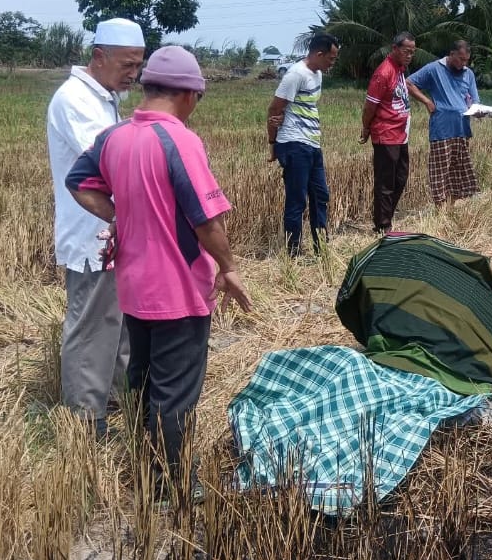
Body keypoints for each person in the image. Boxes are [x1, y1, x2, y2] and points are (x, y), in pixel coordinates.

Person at [67, 46, 252, 493]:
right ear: (188, 94)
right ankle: (172, 485)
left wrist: (120, 215)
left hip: (133, 287)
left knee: (142, 379)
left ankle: (145, 463)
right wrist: (228, 267)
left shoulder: (114, 137)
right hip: (178, 290)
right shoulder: (179, 140)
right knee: (175, 393)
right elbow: (205, 220)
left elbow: (78, 182)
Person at [45, 17, 145, 438]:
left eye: (138, 65)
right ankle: (86, 419)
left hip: (113, 229)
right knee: (91, 326)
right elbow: (110, 160)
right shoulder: (75, 100)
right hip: (91, 234)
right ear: (99, 57)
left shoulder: (104, 98)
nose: (134, 74)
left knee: (118, 322)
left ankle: (115, 398)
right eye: (127, 64)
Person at [266, 33, 340, 256]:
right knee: (297, 200)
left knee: (321, 195)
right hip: (294, 144)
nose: (332, 63)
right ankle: (293, 252)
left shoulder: (317, 75)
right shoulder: (295, 74)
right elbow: (274, 109)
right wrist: (273, 144)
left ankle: (321, 247)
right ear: (319, 54)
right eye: (331, 58)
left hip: (312, 143)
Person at [405, 40, 482, 208]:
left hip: (462, 128)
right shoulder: (434, 69)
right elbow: (409, 83)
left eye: (466, 60)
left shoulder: (468, 74)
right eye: (461, 59)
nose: (463, 64)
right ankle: (440, 208)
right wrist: (427, 101)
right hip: (442, 128)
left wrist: (478, 111)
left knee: (459, 168)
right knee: (440, 170)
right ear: (452, 54)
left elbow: (475, 100)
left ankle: (455, 204)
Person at [360, 32, 416, 234]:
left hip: (401, 134)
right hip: (386, 133)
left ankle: (386, 217)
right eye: (406, 51)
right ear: (394, 49)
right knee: (386, 183)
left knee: (400, 178)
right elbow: (369, 106)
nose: (409, 56)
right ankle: (382, 226)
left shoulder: (400, 69)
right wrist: (366, 127)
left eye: (412, 52)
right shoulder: (384, 73)